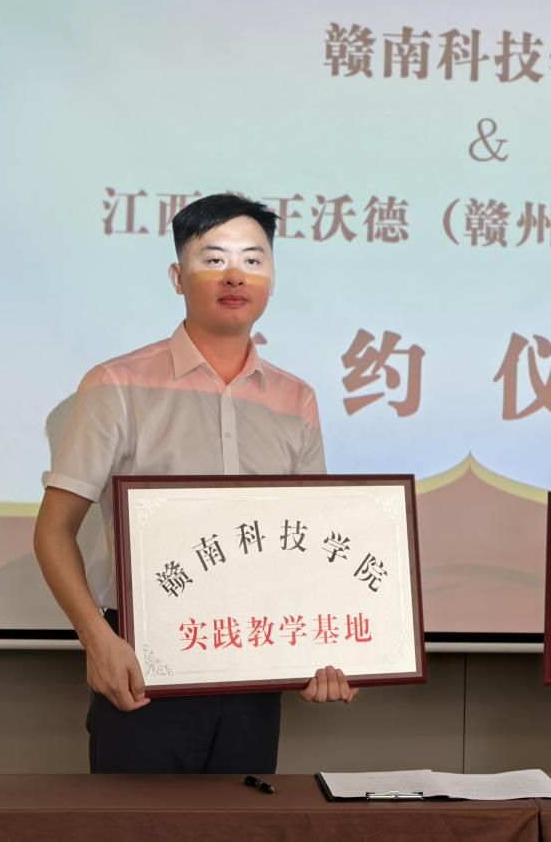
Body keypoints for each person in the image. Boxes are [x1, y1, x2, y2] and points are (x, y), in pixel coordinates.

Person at [33, 193, 357, 775]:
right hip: (143, 662)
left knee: (243, 817)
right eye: (214, 259)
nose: (235, 275)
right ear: (177, 277)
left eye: (253, 260)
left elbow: (310, 544)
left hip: (257, 659)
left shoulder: (296, 399)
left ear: (273, 278)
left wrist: (327, 650)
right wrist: (97, 640)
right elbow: (53, 531)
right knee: (138, 820)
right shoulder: (117, 384)